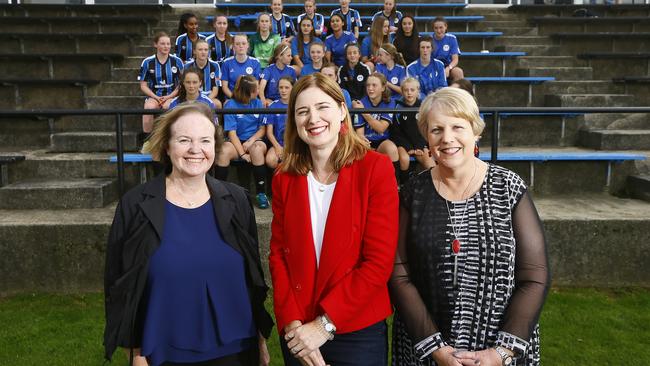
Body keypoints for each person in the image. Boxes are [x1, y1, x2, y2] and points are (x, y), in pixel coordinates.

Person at [104, 103, 274, 366]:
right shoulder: (136, 204)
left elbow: (252, 276)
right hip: (163, 350)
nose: (196, 150)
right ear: (167, 146)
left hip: (237, 349)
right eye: (184, 140)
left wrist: (261, 339)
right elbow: (119, 282)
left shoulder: (237, 200)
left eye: (205, 140)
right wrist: (134, 349)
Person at [389, 87, 550, 366]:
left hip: (498, 351)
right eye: (436, 129)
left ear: (476, 131)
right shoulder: (412, 192)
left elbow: (534, 276)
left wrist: (501, 352)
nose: (447, 138)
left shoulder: (507, 187)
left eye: (457, 127)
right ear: (426, 136)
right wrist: (437, 349)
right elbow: (399, 274)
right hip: (427, 352)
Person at [269, 73, 398, 366]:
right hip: (299, 331)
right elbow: (278, 255)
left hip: (356, 330)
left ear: (342, 110)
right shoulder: (284, 178)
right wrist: (292, 324)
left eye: (322, 107)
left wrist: (323, 326)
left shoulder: (375, 169)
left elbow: (378, 262)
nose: (313, 118)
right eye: (302, 111)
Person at [215, 75, 270, 209]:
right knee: (223, 151)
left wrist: (251, 141)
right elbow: (232, 133)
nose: (258, 91)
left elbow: (262, 129)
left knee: (257, 149)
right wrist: (242, 153)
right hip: (236, 141)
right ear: (247, 92)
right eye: (255, 90)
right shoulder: (231, 105)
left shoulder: (258, 103)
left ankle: (261, 193)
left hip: (255, 139)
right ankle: (218, 193)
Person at [352, 72, 399, 178]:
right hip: (366, 141)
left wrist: (363, 111)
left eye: (374, 85)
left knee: (391, 148)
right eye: (368, 85)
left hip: (382, 141)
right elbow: (360, 134)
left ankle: (396, 183)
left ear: (383, 88)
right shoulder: (361, 102)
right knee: (361, 149)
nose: (370, 88)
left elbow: (381, 128)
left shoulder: (389, 102)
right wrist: (364, 142)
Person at [389, 77, 433, 185]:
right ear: (402, 91)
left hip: (419, 144)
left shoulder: (423, 107)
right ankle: (404, 185)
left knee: (430, 164)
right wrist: (408, 147)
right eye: (406, 90)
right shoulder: (398, 107)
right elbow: (396, 132)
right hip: (403, 144)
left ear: (418, 91)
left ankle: (431, 187)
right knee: (404, 159)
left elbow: (426, 130)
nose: (409, 93)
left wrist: (419, 146)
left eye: (412, 90)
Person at [139, 32, 184, 134]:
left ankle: (168, 137)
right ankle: (147, 139)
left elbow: (182, 83)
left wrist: (169, 96)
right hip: (154, 96)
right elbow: (143, 85)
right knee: (149, 108)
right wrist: (155, 97)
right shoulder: (147, 62)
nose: (166, 46)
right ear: (156, 44)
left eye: (168, 44)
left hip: (172, 95)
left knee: (167, 106)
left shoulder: (177, 61)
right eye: (163, 43)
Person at [264, 76, 293, 170]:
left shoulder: (297, 105)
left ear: (293, 88)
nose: (283, 90)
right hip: (278, 143)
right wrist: (278, 147)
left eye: (287, 87)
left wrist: (289, 147)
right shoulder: (273, 106)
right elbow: (269, 132)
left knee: (293, 161)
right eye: (281, 87)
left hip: (294, 143)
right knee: (270, 160)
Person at [221, 34, 262, 99]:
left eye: (243, 43)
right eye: (237, 44)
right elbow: (225, 87)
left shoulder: (255, 62)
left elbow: (256, 86)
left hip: (250, 98)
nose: (241, 46)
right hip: (233, 98)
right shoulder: (227, 63)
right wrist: (235, 98)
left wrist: (247, 99)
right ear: (233, 46)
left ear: (248, 45)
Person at [184, 39, 223, 108]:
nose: (203, 52)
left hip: (209, 97)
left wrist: (205, 100)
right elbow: (185, 86)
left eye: (206, 50)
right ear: (194, 51)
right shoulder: (187, 66)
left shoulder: (215, 65)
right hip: (192, 96)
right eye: (200, 49)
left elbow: (215, 89)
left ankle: (216, 119)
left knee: (218, 104)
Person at [432, 17, 464, 82]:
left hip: (448, 65)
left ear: (446, 27)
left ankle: (455, 92)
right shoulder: (429, 39)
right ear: (433, 28)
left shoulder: (452, 38)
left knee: (458, 72)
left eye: (441, 27)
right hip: (433, 66)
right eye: (436, 28)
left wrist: (448, 68)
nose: (438, 30)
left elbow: (455, 59)